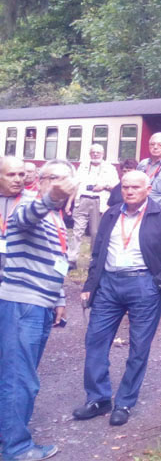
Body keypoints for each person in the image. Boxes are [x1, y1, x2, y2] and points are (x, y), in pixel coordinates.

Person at [72, 170, 161, 427]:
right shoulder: (111, 213)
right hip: (109, 286)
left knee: (138, 348)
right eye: (125, 187)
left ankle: (124, 402)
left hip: (144, 285)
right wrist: (91, 284)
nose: (129, 191)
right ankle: (98, 399)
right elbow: (97, 252)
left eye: (135, 187)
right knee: (95, 341)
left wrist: (158, 282)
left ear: (148, 189)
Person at [0, 159, 76, 461]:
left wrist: (59, 299)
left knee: (21, 374)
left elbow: (54, 261)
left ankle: (8, 434)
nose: (63, 185)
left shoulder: (56, 217)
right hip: (23, 302)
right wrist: (53, 196)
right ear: (42, 181)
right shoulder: (31, 204)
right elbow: (26, 218)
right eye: (56, 179)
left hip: (40, 303)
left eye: (68, 180)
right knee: (20, 378)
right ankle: (16, 447)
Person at [67, 144, 120, 270]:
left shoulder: (110, 168)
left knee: (95, 232)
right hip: (82, 200)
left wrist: (103, 186)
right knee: (77, 231)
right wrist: (70, 202)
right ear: (89, 154)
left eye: (98, 153)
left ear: (103, 154)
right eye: (93, 152)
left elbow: (116, 187)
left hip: (99, 201)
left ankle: (93, 260)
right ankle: (71, 259)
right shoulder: (83, 167)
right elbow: (76, 185)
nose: (95, 154)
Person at [1, 156, 28, 272]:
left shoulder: (33, 201)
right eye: (11, 175)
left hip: (18, 274)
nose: (18, 179)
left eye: (21, 175)